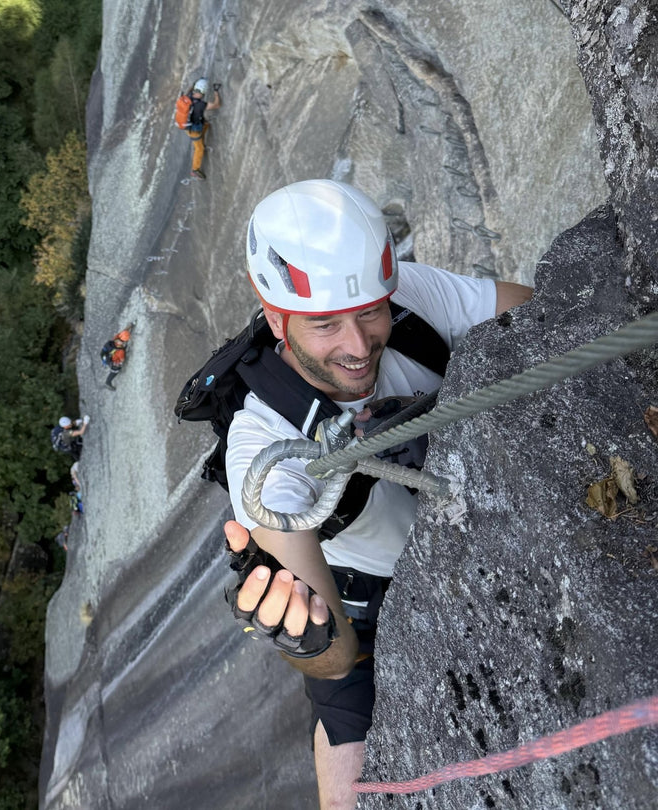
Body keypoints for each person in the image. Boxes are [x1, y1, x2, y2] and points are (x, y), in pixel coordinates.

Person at [220, 180, 532, 810]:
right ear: (276, 318)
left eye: (369, 313)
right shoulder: (265, 457)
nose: (358, 346)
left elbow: (540, 313)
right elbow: (337, 661)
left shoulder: (406, 298)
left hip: (476, 512)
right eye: (324, 324)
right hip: (370, 589)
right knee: (345, 784)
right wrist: (303, 636)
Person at [184, 77, 221, 180]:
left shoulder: (188, 96)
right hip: (193, 130)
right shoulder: (200, 105)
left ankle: (201, 141)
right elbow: (217, 105)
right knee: (199, 149)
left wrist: (195, 84)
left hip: (188, 125)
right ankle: (195, 170)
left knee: (205, 125)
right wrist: (216, 92)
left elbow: (190, 89)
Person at [100, 324, 133, 390]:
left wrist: (130, 325)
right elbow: (122, 359)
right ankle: (108, 382)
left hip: (107, 355)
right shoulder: (120, 351)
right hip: (113, 360)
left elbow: (124, 331)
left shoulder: (116, 338)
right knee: (116, 369)